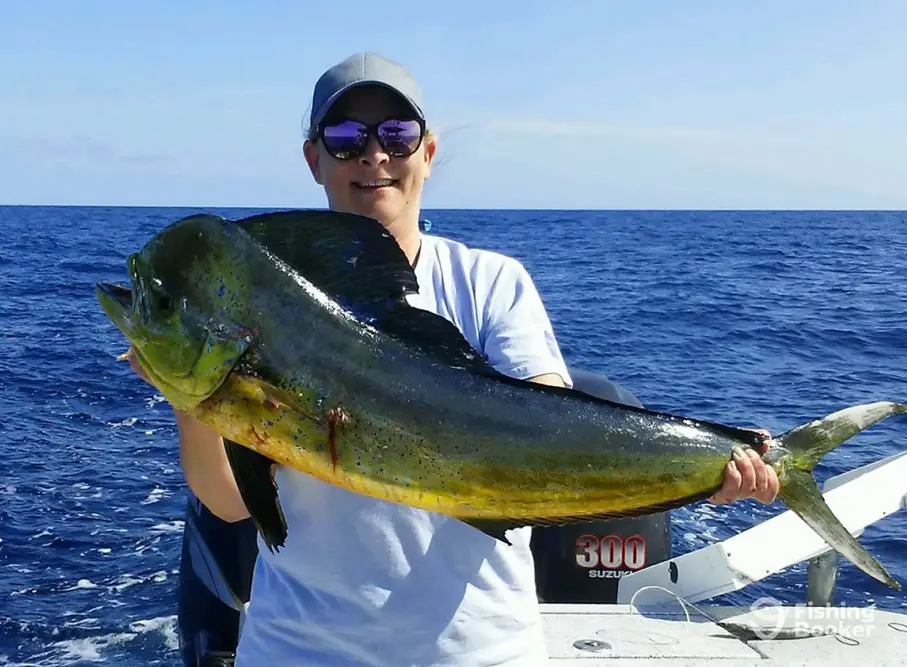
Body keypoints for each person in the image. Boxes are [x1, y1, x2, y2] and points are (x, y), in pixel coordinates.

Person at [128, 52, 779, 666]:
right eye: (347, 136)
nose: (374, 155)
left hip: (480, 650)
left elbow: (548, 430)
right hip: (301, 648)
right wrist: (193, 397)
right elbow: (230, 503)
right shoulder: (264, 307)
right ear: (313, 157)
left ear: (428, 151)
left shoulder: (492, 281)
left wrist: (704, 466)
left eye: (397, 133)